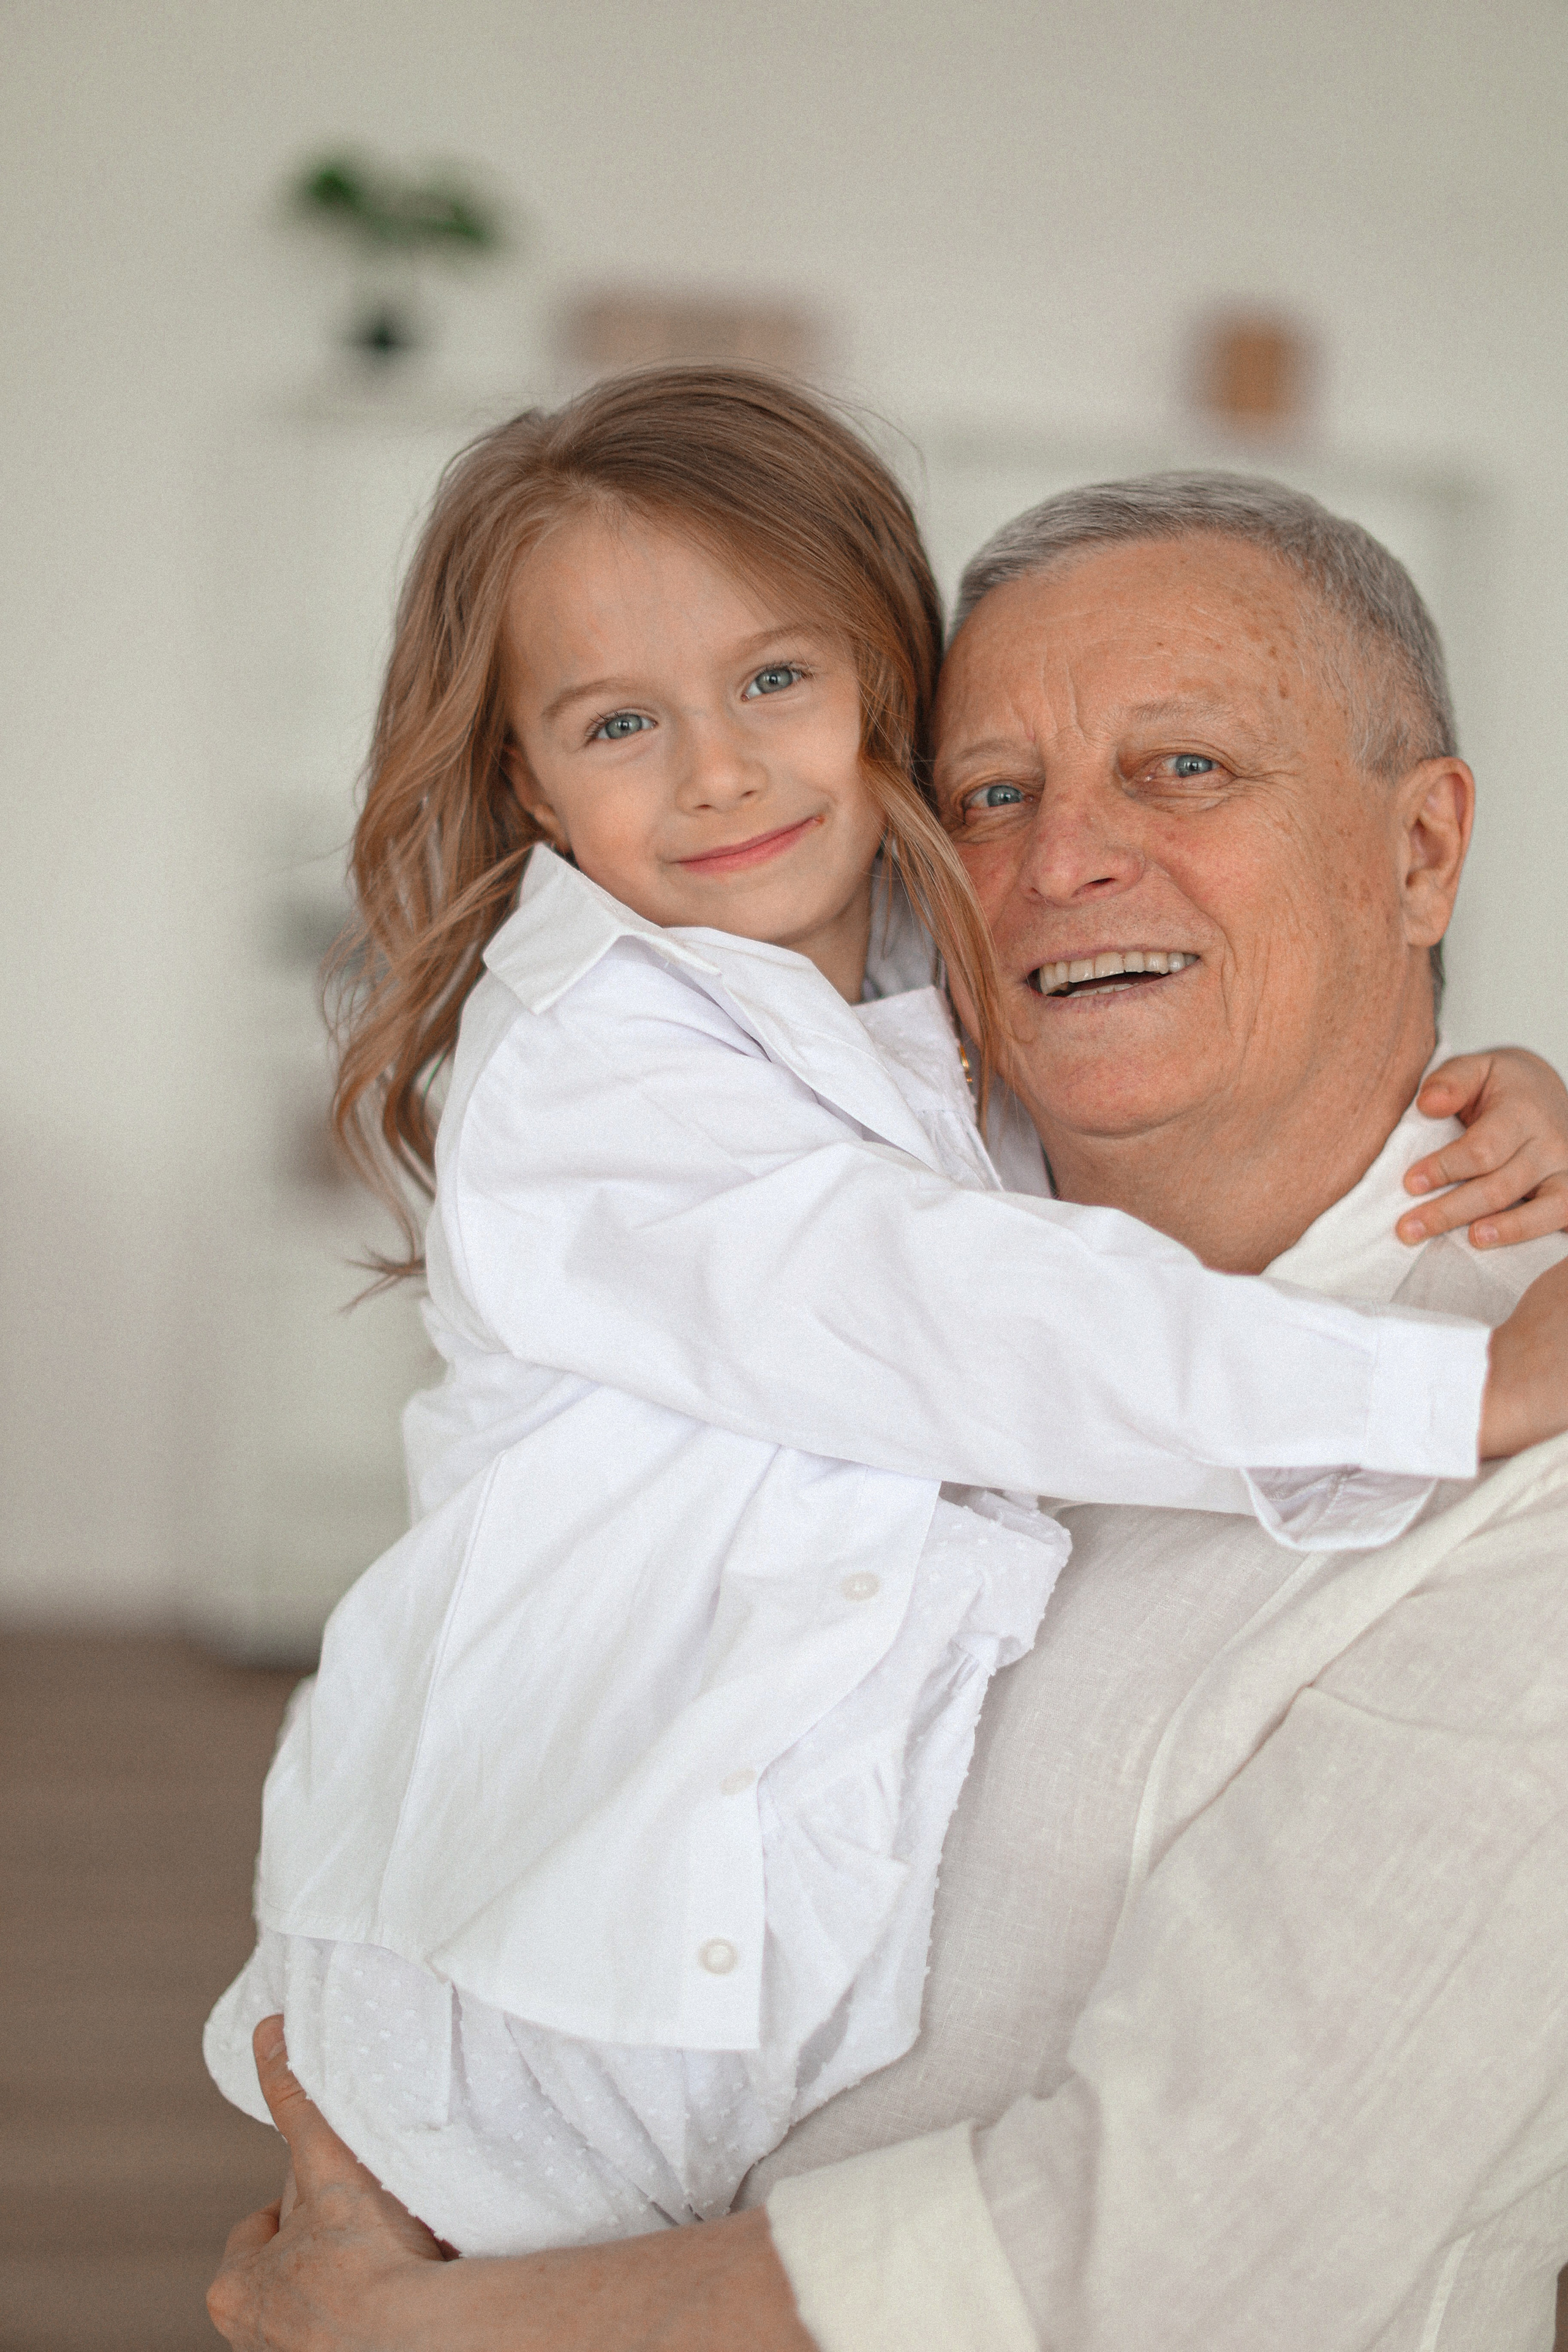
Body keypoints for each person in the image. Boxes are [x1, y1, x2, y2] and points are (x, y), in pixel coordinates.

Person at [206, 447, 1568, 2348]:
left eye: (1185, 767)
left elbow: (1169, 2265)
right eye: (990, 792)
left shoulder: (1529, 1491)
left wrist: (405, 2334)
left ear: (1423, 852)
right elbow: (984, 1298)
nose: (1060, 860)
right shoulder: (900, 1192)